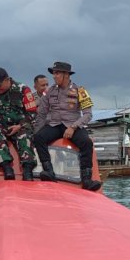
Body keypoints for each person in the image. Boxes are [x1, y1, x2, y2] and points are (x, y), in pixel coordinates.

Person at [34, 61, 101, 192]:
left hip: (72, 125)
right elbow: (42, 114)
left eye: (57, 73)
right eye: (54, 73)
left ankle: (87, 180)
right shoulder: (50, 92)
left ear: (66, 75)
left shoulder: (80, 91)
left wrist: (74, 127)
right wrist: (36, 133)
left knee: (86, 143)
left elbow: (88, 114)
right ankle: (49, 172)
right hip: (55, 124)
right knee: (39, 138)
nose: (54, 76)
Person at [0, 68, 38, 181]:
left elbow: (32, 113)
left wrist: (20, 125)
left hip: (20, 125)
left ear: (7, 80)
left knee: (24, 137)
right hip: (0, 126)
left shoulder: (22, 90)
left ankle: (27, 170)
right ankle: (6, 168)